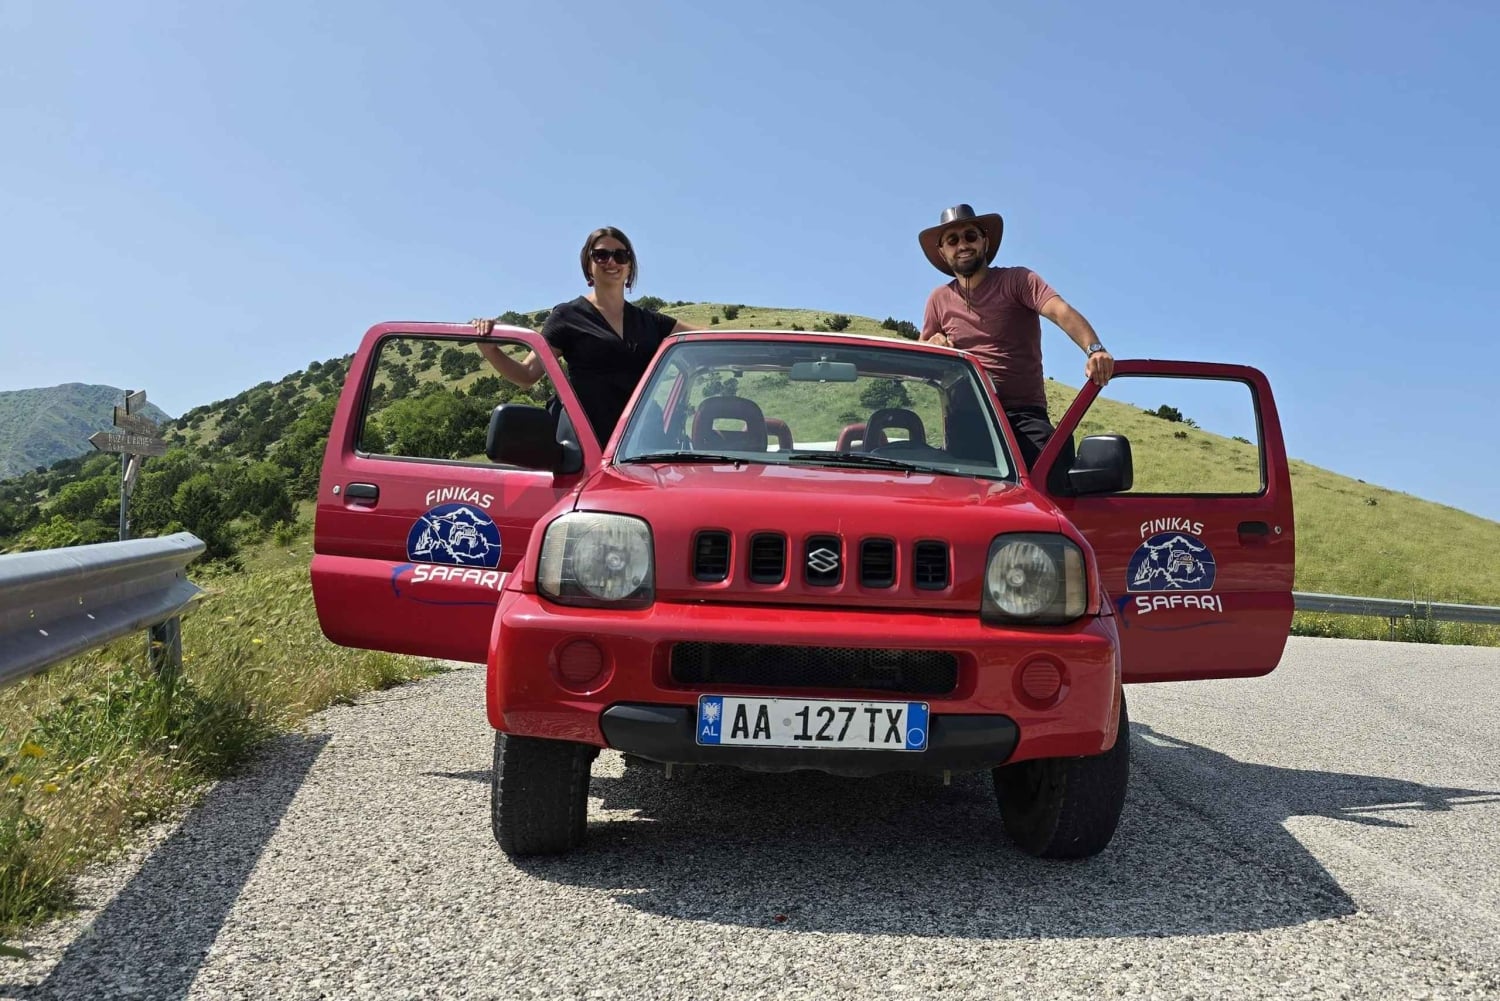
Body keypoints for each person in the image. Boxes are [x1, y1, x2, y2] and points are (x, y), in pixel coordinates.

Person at [917, 203, 1113, 473]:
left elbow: (1059, 310)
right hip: (967, 419)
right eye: (952, 240)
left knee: (1056, 472)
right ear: (943, 251)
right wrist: (933, 345)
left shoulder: (1017, 280)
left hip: (1022, 413)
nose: (963, 244)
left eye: (970, 236)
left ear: (984, 242)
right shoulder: (938, 299)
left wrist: (1095, 349)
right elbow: (919, 356)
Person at [472, 226, 700, 445]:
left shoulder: (651, 322)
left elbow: (714, 338)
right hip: (583, 449)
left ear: (630, 266)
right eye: (601, 255)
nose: (611, 261)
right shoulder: (567, 316)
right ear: (588, 265)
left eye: (620, 255)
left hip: (640, 447)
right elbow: (527, 374)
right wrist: (490, 349)